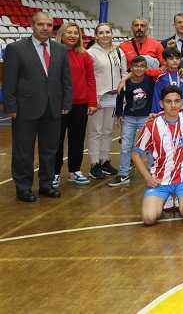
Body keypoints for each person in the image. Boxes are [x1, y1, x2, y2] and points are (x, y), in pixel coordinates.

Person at [5, 12, 72, 202]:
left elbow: (66, 80)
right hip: (24, 109)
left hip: (53, 107)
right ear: (32, 25)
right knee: (23, 151)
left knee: (50, 149)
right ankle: (23, 187)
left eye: (49, 25)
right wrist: (11, 106)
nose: (45, 28)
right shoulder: (16, 49)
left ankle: (46, 184)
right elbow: (9, 81)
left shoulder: (60, 49)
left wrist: (66, 102)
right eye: (41, 24)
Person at [131, 85, 183, 224]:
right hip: (160, 180)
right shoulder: (152, 125)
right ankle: (167, 197)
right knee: (148, 219)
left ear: (182, 102)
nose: (173, 105)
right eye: (168, 101)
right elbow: (136, 154)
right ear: (161, 103)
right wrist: (148, 178)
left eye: (177, 101)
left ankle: (179, 197)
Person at [54, 22, 98, 184]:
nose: (72, 36)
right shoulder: (54, 53)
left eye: (75, 33)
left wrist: (92, 102)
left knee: (77, 139)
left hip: (80, 105)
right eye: (69, 32)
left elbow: (90, 79)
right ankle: (54, 173)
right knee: (56, 140)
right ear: (62, 34)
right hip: (59, 105)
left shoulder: (84, 55)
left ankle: (74, 171)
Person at [86, 23, 125, 181]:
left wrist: (122, 96)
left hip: (113, 98)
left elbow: (124, 74)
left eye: (107, 32)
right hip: (97, 98)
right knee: (96, 131)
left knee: (108, 131)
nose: (105, 35)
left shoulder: (118, 52)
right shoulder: (90, 53)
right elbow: (88, 77)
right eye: (101, 33)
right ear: (96, 36)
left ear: (112, 34)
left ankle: (104, 160)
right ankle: (94, 164)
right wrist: (93, 99)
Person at [110, 55, 155, 187]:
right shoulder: (125, 83)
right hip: (129, 118)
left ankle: (153, 173)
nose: (139, 69)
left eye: (142, 66)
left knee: (150, 147)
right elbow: (119, 98)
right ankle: (123, 174)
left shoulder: (150, 80)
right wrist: (119, 114)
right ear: (131, 67)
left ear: (146, 68)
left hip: (146, 117)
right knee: (126, 147)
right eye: (136, 66)